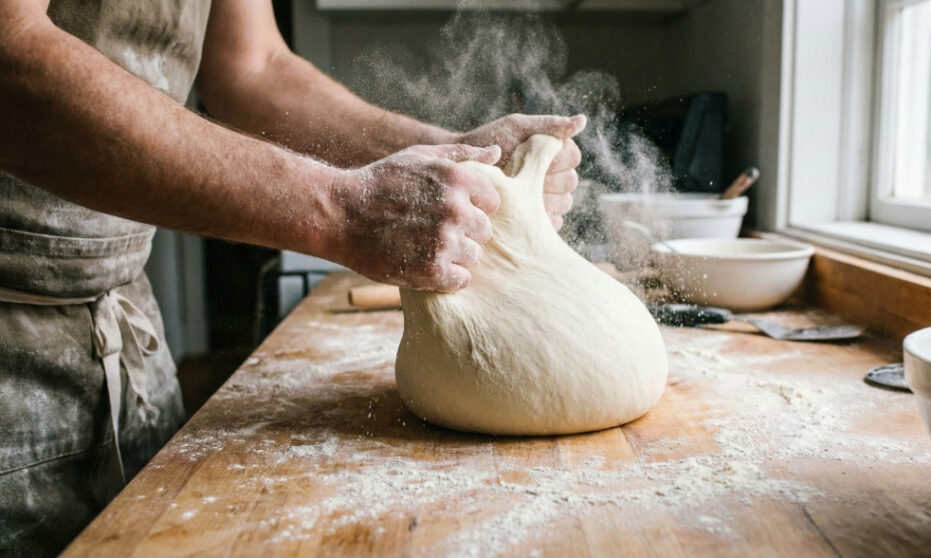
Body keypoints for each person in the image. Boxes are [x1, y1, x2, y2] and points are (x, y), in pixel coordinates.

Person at [0, 1, 585, 555]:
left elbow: (254, 68)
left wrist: (456, 157)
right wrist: (342, 208)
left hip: (123, 328)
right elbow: (10, 55)